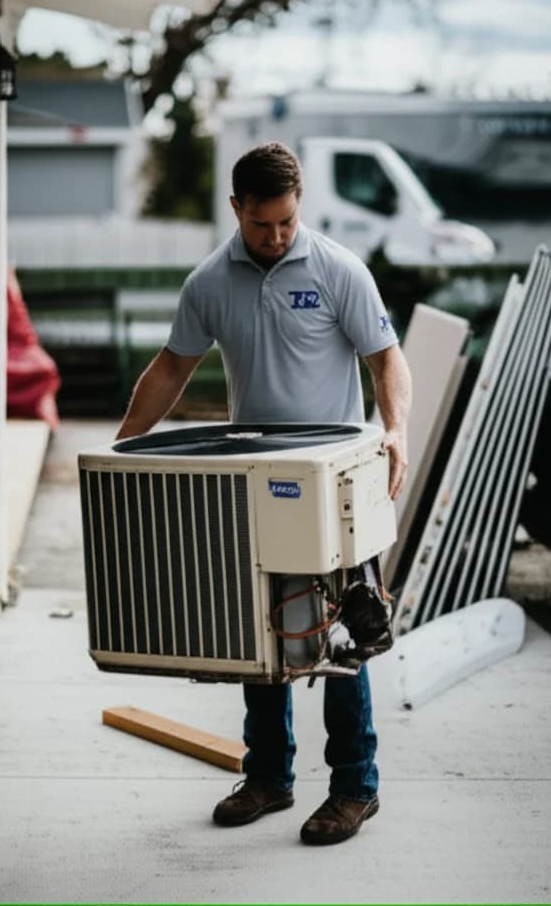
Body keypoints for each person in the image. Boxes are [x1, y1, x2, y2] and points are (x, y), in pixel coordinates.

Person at [115, 141, 412, 846]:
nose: (276, 236)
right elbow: (171, 367)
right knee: (264, 630)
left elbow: (386, 358)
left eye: (285, 221)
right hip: (256, 480)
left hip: (331, 484)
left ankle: (354, 788)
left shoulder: (340, 270)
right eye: (261, 224)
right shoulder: (210, 283)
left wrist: (395, 431)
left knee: (342, 635)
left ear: (297, 205)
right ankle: (269, 777)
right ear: (236, 210)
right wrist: (120, 448)